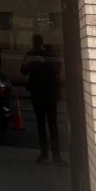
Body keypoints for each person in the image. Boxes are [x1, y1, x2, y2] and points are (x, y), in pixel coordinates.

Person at [21, 34, 64, 164]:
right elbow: (23, 70)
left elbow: (57, 68)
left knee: (50, 124)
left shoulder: (49, 53)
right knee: (44, 124)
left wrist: (44, 60)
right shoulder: (31, 54)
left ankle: (54, 155)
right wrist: (30, 63)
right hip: (39, 93)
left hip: (48, 93)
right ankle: (47, 154)